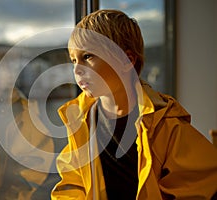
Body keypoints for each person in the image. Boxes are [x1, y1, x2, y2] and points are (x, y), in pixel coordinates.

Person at [51, 9, 217, 200]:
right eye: (73, 60)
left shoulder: (165, 124)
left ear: (127, 60)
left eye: (88, 56)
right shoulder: (81, 120)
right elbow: (73, 186)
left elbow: (199, 187)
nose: (77, 69)